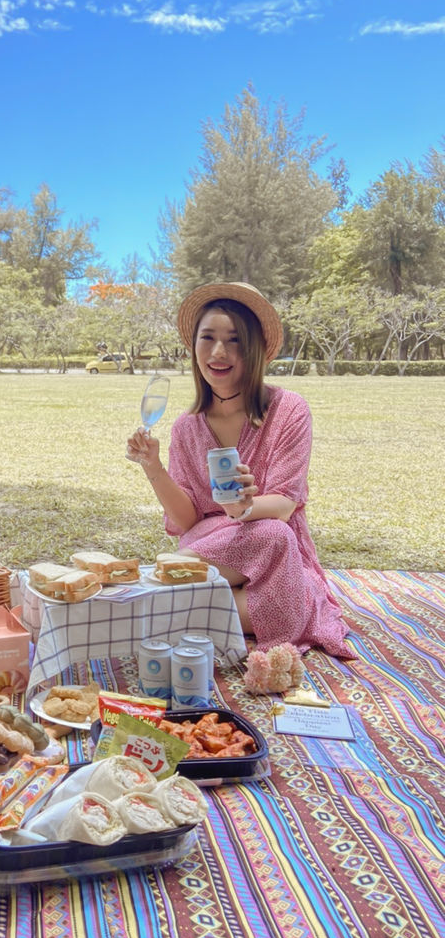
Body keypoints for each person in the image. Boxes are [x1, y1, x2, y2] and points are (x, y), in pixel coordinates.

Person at [127, 281, 354, 658]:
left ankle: (161, 593)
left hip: (273, 553)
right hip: (214, 552)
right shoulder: (187, 426)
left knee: (272, 534)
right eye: (208, 337)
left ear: (256, 350)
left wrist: (244, 508)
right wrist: (153, 466)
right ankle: (177, 599)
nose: (219, 351)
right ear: (194, 346)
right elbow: (186, 520)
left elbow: (283, 505)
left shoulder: (289, 410)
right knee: (261, 574)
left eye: (234, 340)